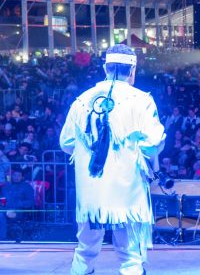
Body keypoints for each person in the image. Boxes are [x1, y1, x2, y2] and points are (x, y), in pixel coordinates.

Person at [60, 45, 165, 275]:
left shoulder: (82, 100)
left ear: (105, 68)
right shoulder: (141, 100)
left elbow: (66, 142)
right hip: (126, 192)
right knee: (130, 255)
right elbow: (153, 142)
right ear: (132, 69)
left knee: (85, 249)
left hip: (91, 191)